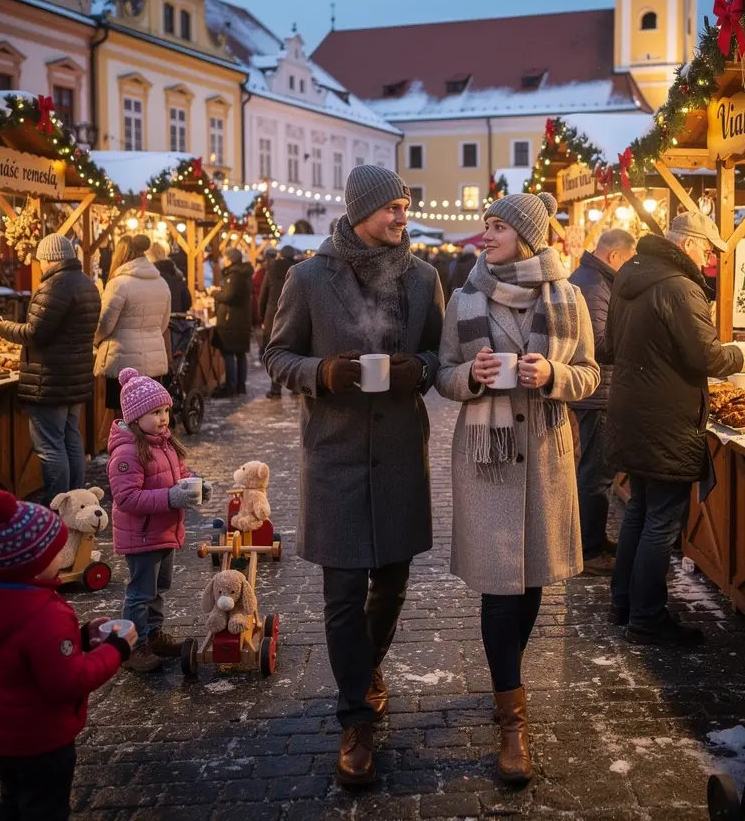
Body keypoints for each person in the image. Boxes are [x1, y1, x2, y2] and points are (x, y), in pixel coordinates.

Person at [265, 165, 443, 788]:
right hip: (335, 454)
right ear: (361, 210)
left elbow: (438, 355)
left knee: (391, 585)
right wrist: (322, 374)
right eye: (393, 206)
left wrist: (414, 369)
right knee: (342, 594)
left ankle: (366, 669)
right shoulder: (309, 277)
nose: (402, 216)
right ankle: (354, 718)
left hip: (397, 451)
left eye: (406, 205)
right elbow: (277, 354)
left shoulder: (423, 278)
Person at [436, 192, 599, 783]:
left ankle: (510, 683)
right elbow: (442, 373)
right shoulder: (465, 298)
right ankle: (512, 715)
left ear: (529, 236)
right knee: (500, 587)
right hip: (488, 459)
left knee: (531, 582)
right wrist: (470, 377)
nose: (487, 234)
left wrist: (553, 373)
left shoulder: (569, 296)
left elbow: (588, 372)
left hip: (546, 458)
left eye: (498, 226)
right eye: (485, 225)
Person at [603, 211, 745, 646]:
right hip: (666, 418)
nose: (708, 258)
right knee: (661, 521)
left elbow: (609, 347)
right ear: (686, 245)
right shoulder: (680, 287)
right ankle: (646, 620)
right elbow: (707, 358)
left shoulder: (630, 274)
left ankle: (623, 603)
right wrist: (739, 356)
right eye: (705, 248)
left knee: (640, 512)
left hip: (633, 411)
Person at [0, 490, 135, 820]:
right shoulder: (43, 614)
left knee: (12, 799)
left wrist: (80, 637)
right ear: (36, 564)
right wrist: (115, 649)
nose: (61, 557)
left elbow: (19, 654)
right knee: (44, 808)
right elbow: (69, 680)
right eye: (56, 551)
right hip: (40, 738)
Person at [108, 368, 209, 673]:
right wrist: (170, 498)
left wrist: (197, 485)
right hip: (141, 536)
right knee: (140, 592)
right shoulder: (127, 451)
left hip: (164, 530)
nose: (164, 417)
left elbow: (181, 474)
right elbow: (126, 498)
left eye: (165, 410)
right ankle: (132, 646)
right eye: (155, 412)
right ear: (135, 417)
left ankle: (153, 634)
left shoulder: (162, 442)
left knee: (159, 587)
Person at [0, 235, 100, 499]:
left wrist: (4, 328)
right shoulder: (87, 284)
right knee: (71, 438)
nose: (39, 266)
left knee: (51, 445)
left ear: (50, 259)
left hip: (49, 378)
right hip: (74, 376)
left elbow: (35, 333)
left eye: (41, 260)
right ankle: (77, 500)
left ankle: (59, 503)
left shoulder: (54, 286)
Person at [568, 229, 636, 575]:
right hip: (598, 392)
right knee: (595, 472)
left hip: (596, 391)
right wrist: (634, 338)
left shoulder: (592, 277)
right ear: (614, 256)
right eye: (628, 259)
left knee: (598, 470)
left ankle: (593, 540)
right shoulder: (595, 284)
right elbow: (595, 341)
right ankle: (588, 549)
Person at [94, 234, 171, 416]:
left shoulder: (118, 283)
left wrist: (95, 341)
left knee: (123, 419)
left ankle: (127, 446)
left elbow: (103, 325)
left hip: (123, 363)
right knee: (149, 420)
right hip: (153, 363)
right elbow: (163, 324)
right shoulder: (161, 283)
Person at [212, 246, 254, 398]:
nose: (223, 260)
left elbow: (228, 296)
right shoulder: (243, 274)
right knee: (240, 354)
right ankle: (240, 386)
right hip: (241, 320)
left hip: (232, 321)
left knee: (229, 352)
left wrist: (214, 292)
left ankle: (231, 386)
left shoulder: (234, 275)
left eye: (224, 257)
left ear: (230, 259)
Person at [259, 245, 296, 397]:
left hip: (273, 315)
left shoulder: (271, 269)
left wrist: (262, 316)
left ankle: (275, 389)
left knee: (276, 352)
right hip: (294, 316)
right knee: (295, 352)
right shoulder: (298, 270)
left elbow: (263, 295)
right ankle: (296, 387)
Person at [147, 240, 192, 315]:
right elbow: (187, 303)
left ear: (150, 257)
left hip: (156, 322)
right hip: (176, 323)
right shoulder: (177, 277)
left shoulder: (149, 279)